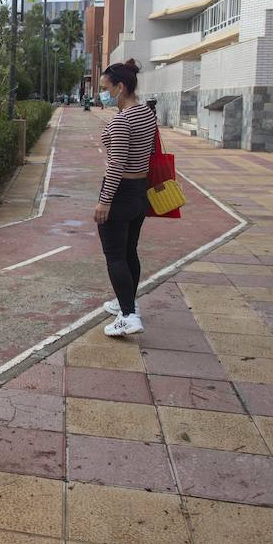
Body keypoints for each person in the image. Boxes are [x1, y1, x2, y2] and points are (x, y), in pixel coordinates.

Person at [95, 59, 158, 338]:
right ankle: (127, 303)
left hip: (119, 194)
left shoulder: (123, 120)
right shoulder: (146, 114)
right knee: (129, 250)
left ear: (120, 87)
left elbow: (117, 164)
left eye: (105, 89)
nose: (103, 94)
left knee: (115, 256)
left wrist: (104, 201)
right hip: (139, 193)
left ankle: (129, 316)